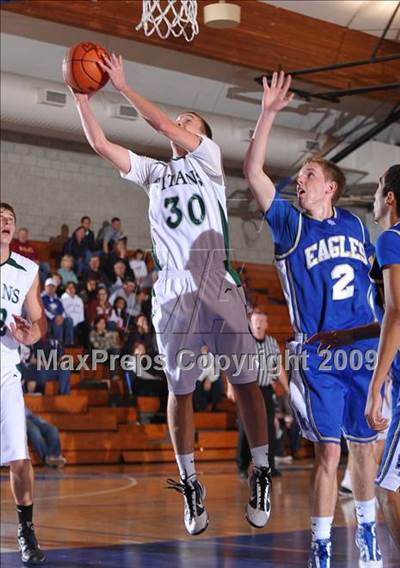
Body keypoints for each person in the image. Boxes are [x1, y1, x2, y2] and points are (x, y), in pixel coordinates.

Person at [67, 52, 272, 536]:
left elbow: (158, 122)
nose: (179, 123)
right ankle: (191, 484)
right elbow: (99, 143)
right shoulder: (154, 173)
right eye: (181, 120)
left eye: (189, 121)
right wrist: (81, 99)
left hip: (217, 282)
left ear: (200, 135)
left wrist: (121, 84)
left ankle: (261, 469)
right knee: (179, 393)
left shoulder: (208, 160)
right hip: (175, 292)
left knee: (245, 382)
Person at [244, 71, 382, 567]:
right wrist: (268, 113)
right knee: (328, 453)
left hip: (363, 349)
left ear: (330, 187)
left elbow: (374, 281)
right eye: (300, 176)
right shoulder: (288, 222)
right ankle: (321, 545)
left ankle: (367, 531)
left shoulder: (356, 224)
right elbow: (254, 171)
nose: (297, 180)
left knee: (365, 449)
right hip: (318, 351)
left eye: (307, 176)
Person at [364, 165, 400, 568]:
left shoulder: (393, 239)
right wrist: (349, 336)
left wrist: (375, 386)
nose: (375, 192)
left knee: (388, 491)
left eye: (379, 185)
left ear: (391, 198)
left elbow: (398, 314)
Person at [0, 202, 46, 565]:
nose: (5, 223)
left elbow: (39, 321)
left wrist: (29, 336)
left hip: (6, 370)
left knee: (19, 456)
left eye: (10, 220)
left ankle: (26, 530)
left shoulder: (27, 269)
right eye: (0, 219)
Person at [227, 310, 286, 477]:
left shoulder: (272, 343)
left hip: (266, 389)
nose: (258, 323)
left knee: (270, 429)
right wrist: (230, 386)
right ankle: (242, 465)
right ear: (250, 324)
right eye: (255, 320)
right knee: (246, 428)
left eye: (262, 320)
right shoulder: (243, 342)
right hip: (247, 389)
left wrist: (288, 389)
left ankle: (270, 465)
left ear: (266, 324)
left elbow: (278, 367)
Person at [41, 278, 74, 345]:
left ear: (55, 288)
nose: (51, 288)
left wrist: (62, 317)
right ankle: (58, 345)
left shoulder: (58, 300)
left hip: (58, 318)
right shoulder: (41, 298)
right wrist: (54, 317)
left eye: (53, 286)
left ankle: (69, 344)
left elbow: (63, 311)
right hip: (48, 320)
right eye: (49, 286)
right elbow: (43, 310)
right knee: (56, 323)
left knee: (69, 320)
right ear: (45, 287)